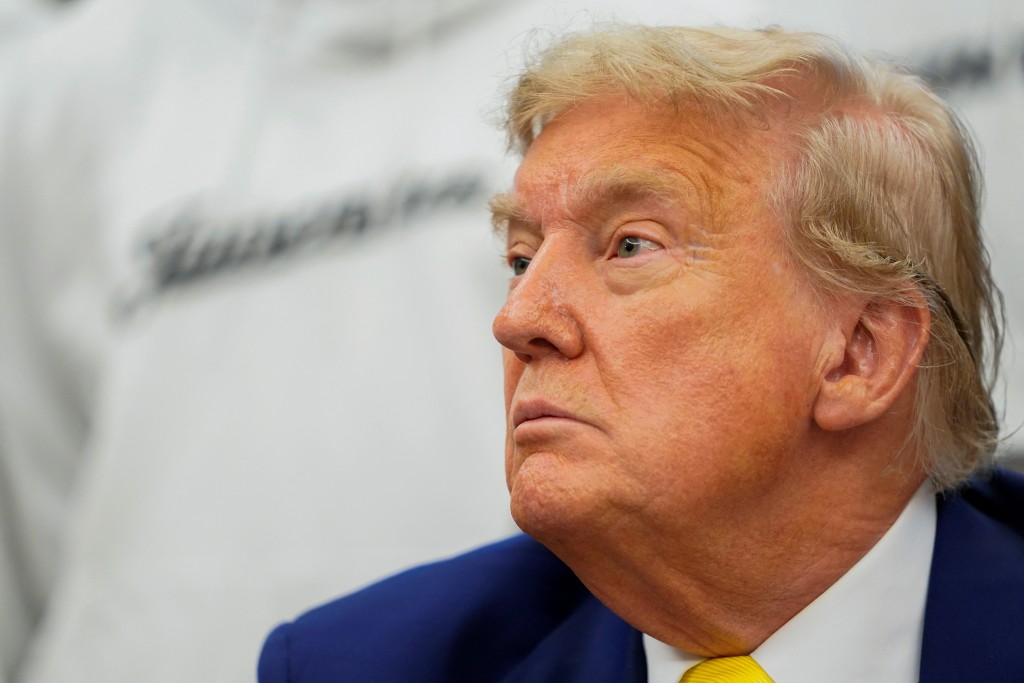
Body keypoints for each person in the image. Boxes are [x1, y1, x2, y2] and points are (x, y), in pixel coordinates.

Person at [260, 22, 1018, 682]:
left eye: (629, 246)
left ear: (860, 354)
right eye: (521, 258)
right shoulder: (367, 666)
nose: (518, 318)